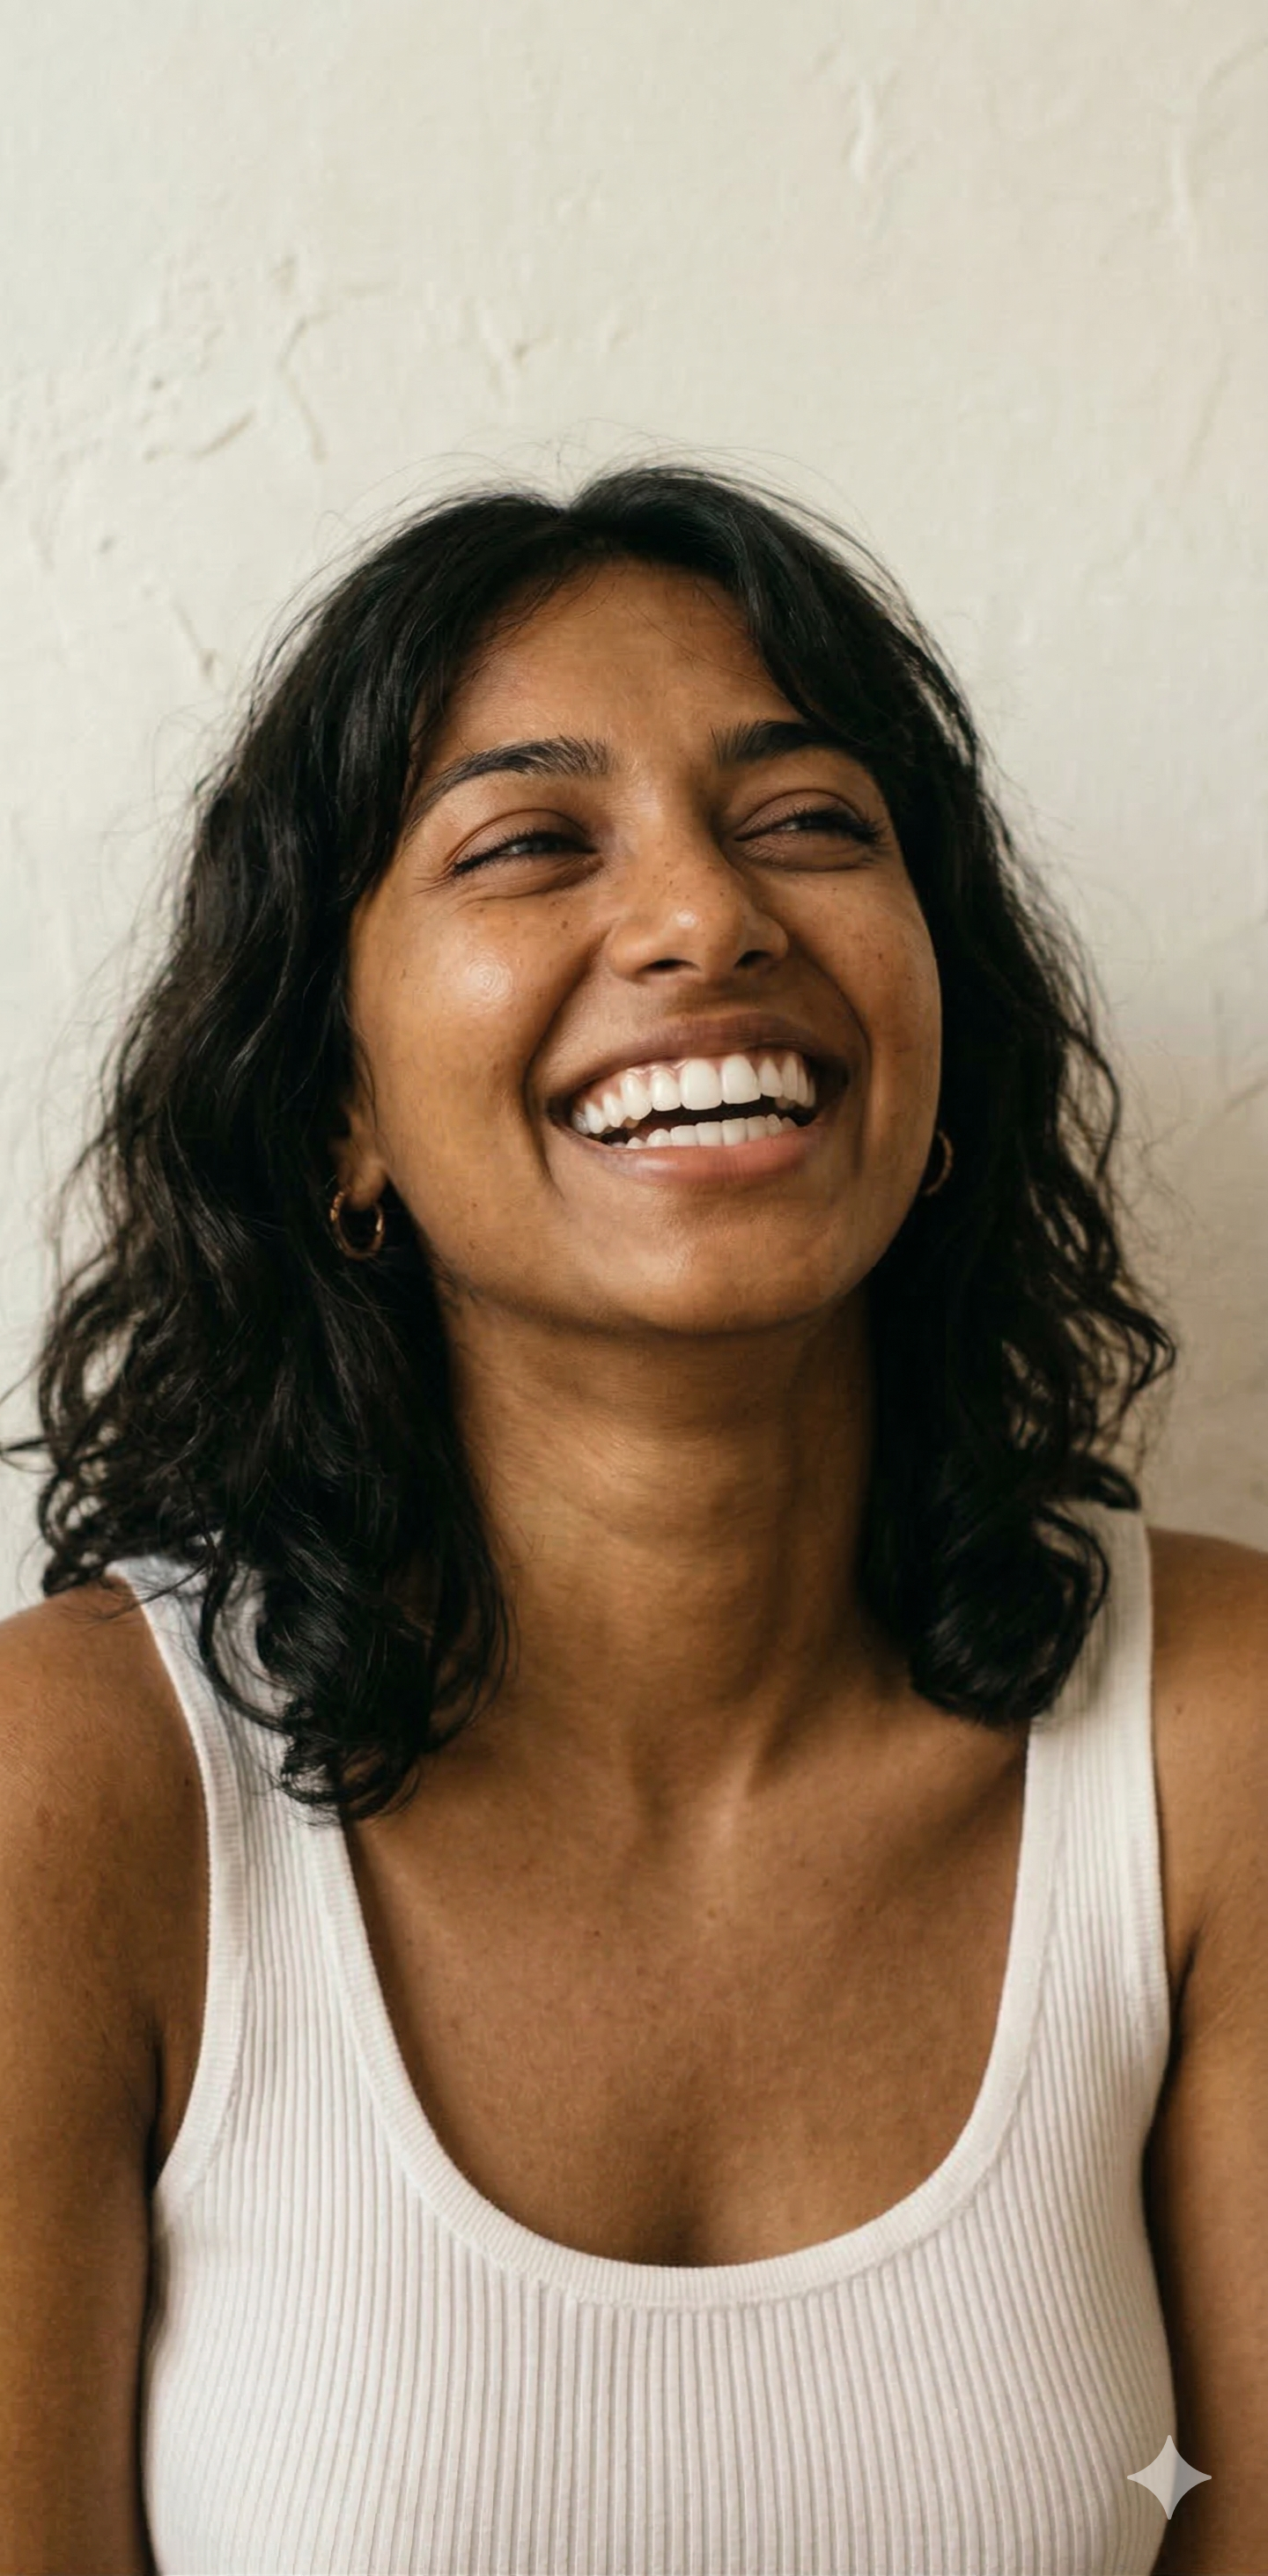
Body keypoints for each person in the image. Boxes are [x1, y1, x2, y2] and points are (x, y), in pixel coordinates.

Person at [0, 463, 1264, 2576]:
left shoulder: (1220, 1735)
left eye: (808, 823)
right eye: (530, 842)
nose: (711, 918)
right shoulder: (77, 1790)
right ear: (341, 1113)